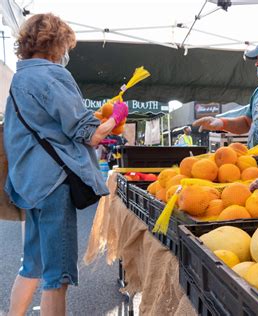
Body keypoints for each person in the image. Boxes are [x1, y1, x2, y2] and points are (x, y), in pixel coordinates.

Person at [4, 13, 128, 316]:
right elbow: (91, 135)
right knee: (57, 275)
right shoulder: (53, 74)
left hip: (28, 184)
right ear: (57, 44)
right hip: (53, 182)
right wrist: (117, 117)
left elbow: (51, 125)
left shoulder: (20, 79)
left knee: (32, 263)